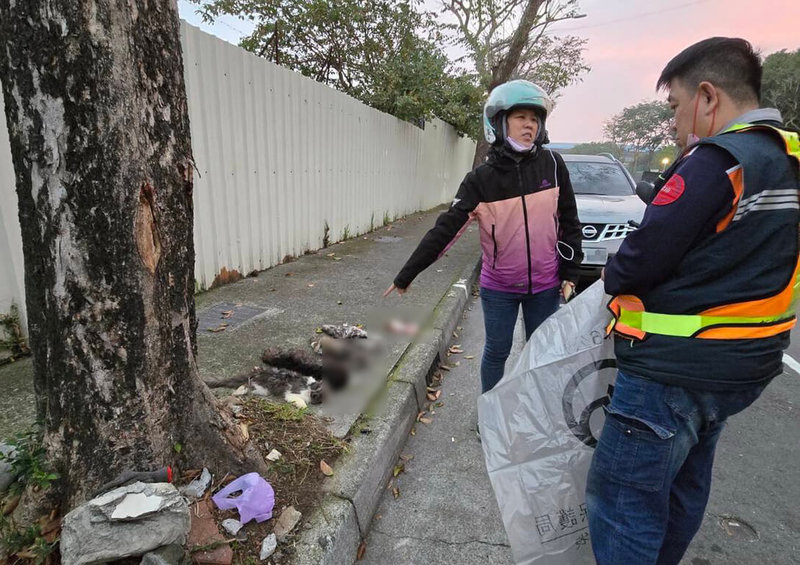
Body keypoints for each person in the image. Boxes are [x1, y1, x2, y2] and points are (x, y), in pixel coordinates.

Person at [588, 37, 800, 564]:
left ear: (707, 98)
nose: (677, 124)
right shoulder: (789, 158)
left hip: (671, 372)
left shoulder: (718, 160)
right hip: (743, 366)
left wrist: (610, 272)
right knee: (682, 488)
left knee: (624, 505)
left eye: (676, 108)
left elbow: (641, 258)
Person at [384, 79, 583, 394]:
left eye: (535, 119)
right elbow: (446, 230)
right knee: (497, 352)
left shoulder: (554, 165)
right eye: (521, 118)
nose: (529, 125)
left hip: (545, 285)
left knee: (540, 353)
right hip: (500, 287)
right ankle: (491, 414)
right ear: (500, 123)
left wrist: (570, 272)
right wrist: (407, 274)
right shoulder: (481, 180)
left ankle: (533, 413)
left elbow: (570, 221)